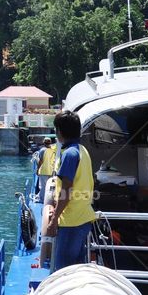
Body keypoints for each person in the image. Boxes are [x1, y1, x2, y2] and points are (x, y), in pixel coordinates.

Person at [43, 110, 96, 272]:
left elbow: (66, 191)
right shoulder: (82, 150)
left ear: (60, 131)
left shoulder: (69, 154)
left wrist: (53, 220)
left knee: (64, 271)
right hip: (84, 218)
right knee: (77, 270)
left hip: (71, 222)